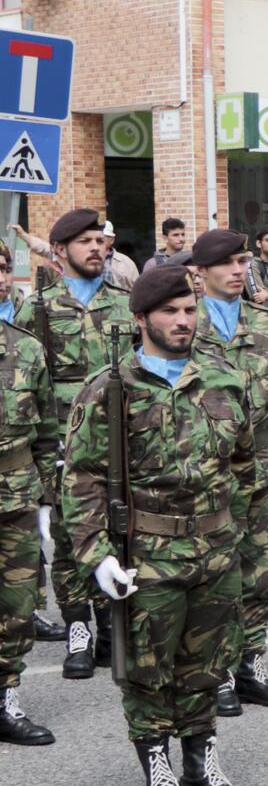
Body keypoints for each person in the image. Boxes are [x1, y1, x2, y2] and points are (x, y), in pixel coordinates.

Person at [61, 265, 261, 786]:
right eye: (170, 312)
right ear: (141, 317)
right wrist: (97, 554)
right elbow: (82, 478)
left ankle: (201, 771)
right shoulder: (110, 388)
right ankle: (159, 772)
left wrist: (237, 530)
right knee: (149, 671)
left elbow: (246, 463)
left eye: (189, 311)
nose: (182, 321)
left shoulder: (225, 380)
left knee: (206, 666)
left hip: (216, 553)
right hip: (146, 555)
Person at [186, 228, 268, 715]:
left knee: (258, 568)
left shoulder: (265, 320)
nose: (238, 271)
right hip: (207, 472)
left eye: (242, 262)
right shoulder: (187, 323)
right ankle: (218, 670)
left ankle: (251, 662)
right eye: (227, 263)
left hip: (256, 468)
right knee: (216, 574)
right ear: (201, 272)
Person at [30, 208, 135, 679]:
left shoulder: (125, 301)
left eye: (100, 240)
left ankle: (110, 623)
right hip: (65, 444)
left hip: (121, 440)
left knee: (118, 529)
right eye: (85, 242)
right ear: (60, 250)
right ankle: (77, 627)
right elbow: (30, 382)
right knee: (71, 536)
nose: (96, 248)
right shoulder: (40, 307)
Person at [0, 237, 54, 745]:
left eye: (0, 268)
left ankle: (6, 698)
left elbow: (46, 432)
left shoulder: (26, 347)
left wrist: (45, 500)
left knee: (16, 606)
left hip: (15, 496)